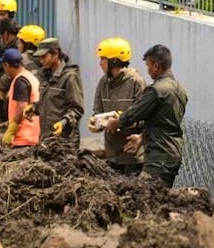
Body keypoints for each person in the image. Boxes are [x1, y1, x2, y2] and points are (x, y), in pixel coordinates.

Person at [105, 45, 187, 187]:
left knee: (145, 196)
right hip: (172, 153)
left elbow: (134, 114)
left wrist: (115, 122)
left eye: (148, 66)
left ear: (156, 66)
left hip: (158, 156)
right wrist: (141, 137)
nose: (148, 70)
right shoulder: (180, 89)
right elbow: (162, 122)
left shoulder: (156, 90)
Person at [88, 37, 146, 175]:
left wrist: (121, 121)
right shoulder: (103, 82)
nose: (100, 63)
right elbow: (97, 111)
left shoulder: (136, 83)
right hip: (111, 155)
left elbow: (145, 118)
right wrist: (96, 122)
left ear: (114, 60)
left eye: (103, 59)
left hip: (132, 157)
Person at [34, 38, 84, 145]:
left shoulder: (69, 77)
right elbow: (47, 103)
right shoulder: (44, 76)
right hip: (45, 137)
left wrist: (64, 122)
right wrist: (33, 108)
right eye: (40, 58)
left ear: (56, 54)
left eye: (44, 57)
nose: (41, 61)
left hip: (65, 140)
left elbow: (77, 109)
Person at [0, 48, 40, 148]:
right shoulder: (29, 76)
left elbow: (22, 108)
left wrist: (11, 131)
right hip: (33, 134)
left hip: (23, 137)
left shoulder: (20, 81)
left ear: (6, 65)